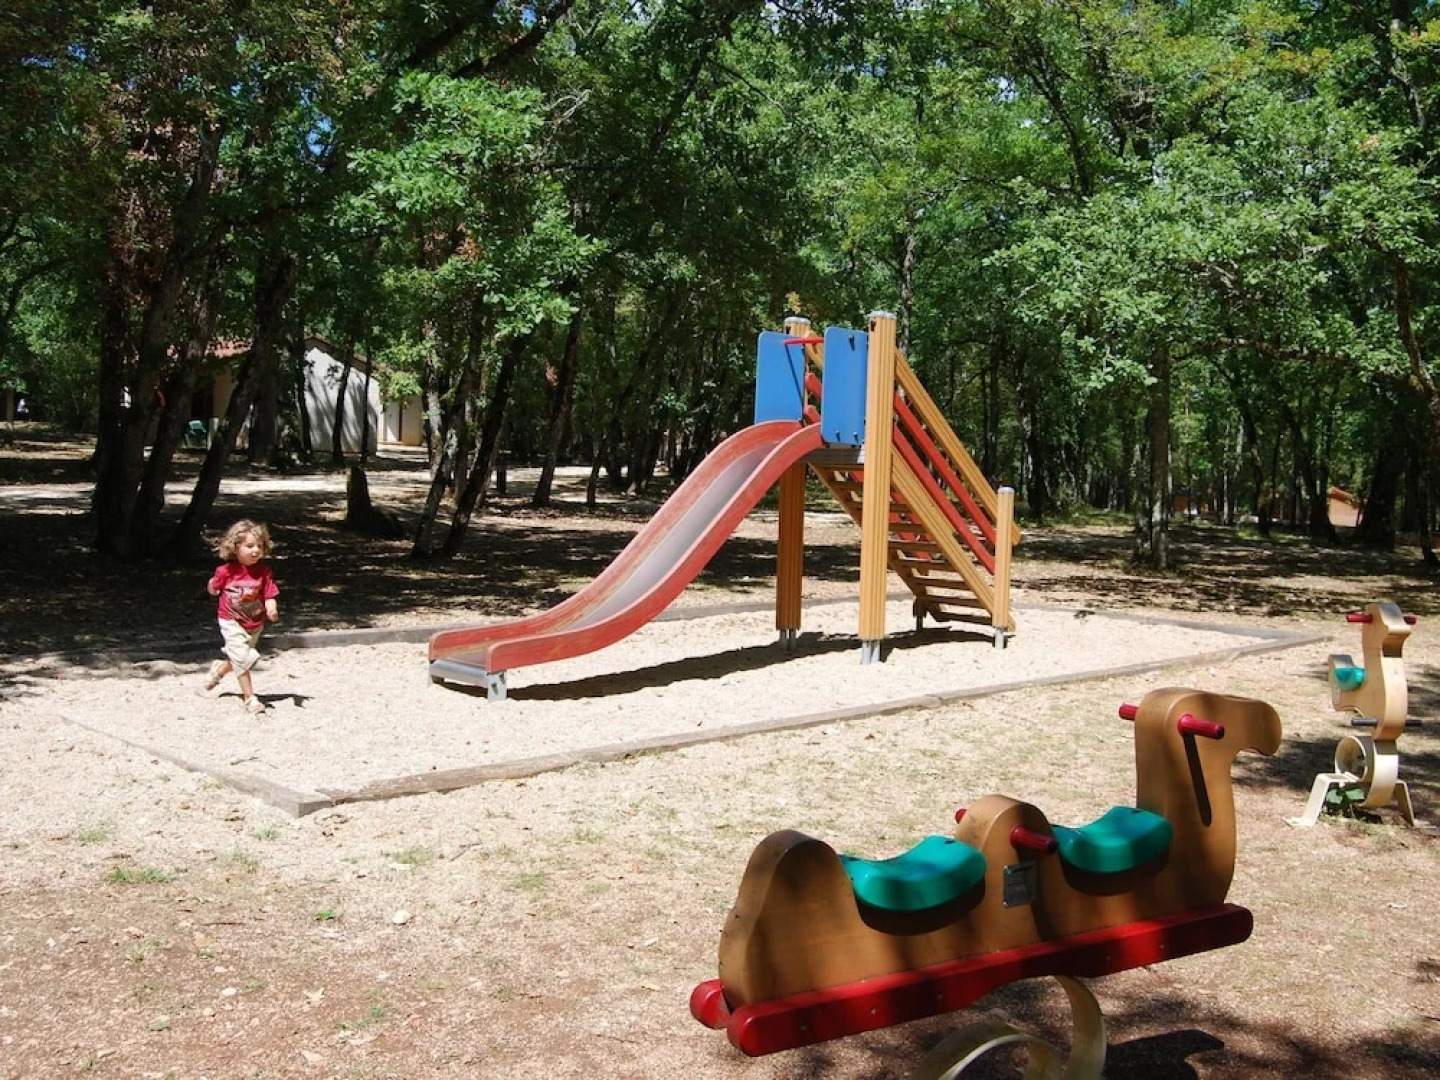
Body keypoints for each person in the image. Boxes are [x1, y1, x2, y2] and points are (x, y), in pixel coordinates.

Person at [200, 519, 280, 714]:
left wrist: (272, 609)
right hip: (230, 620)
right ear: (235, 547)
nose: (255, 551)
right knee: (244, 657)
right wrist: (211, 585)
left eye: (259, 546)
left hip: (254, 622)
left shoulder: (263, 572)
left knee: (239, 658)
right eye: (249, 546)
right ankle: (250, 698)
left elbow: (269, 595)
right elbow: (213, 589)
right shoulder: (225, 571)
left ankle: (219, 671)